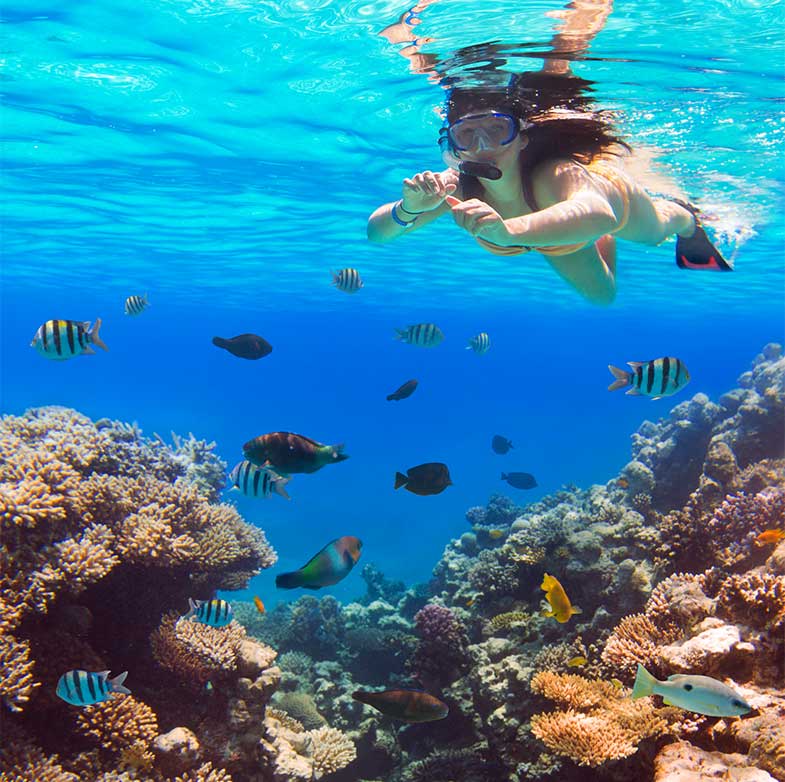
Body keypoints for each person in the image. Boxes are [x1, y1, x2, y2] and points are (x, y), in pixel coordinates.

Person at [367, 4, 732, 305]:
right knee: (604, 297)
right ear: (454, 146)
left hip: (606, 204)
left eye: (497, 130)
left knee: (657, 232)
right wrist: (409, 208)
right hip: (553, 235)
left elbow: (600, 213)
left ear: (522, 137)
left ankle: (688, 218)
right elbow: (377, 234)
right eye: (467, 136)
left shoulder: (553, 174)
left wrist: (507, 231)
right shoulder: (456, 188)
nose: (483, 147)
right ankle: (586, 235)